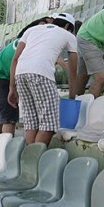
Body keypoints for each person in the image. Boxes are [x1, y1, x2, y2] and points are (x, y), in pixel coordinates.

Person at [9, 13, 78, 146]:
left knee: (31, 121)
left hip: (21, 73)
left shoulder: (31, 30)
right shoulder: (68, 35)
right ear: (67, 26)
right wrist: (72, 98)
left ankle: (28, 160)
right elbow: (73, 71)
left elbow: (16, 59)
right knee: (48, 124)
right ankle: (36, 160)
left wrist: (12, 87)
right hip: (41, 73)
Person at [0, 16, 55, 134]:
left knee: (0, 113)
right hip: (0, 75)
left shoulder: (26, 39)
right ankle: (3, 148)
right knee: (9, 115)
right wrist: (13, 89)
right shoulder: (30, 43)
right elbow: (17, 64)